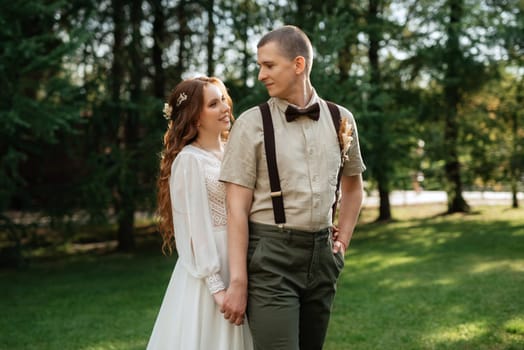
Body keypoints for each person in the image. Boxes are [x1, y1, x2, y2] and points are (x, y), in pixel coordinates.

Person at [219, 25, 366, 350]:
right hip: (272, 259)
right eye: (259, 65)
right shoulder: (250, 124)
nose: (261, 75)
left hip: (322, 257)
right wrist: (239, 282)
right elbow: (236, 209)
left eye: (269, 65)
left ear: (298, 65)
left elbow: (354, 187)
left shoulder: (341, 119)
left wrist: (342, 241)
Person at [147, 76, 253, 350]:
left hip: (247, 256)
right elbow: (193, 230)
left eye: (223, 100)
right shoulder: (189, 161)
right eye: (213, 104)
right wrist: (217, 289)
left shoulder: (235, 150)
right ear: (194, 117)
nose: (225, 108)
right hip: (212, 268)